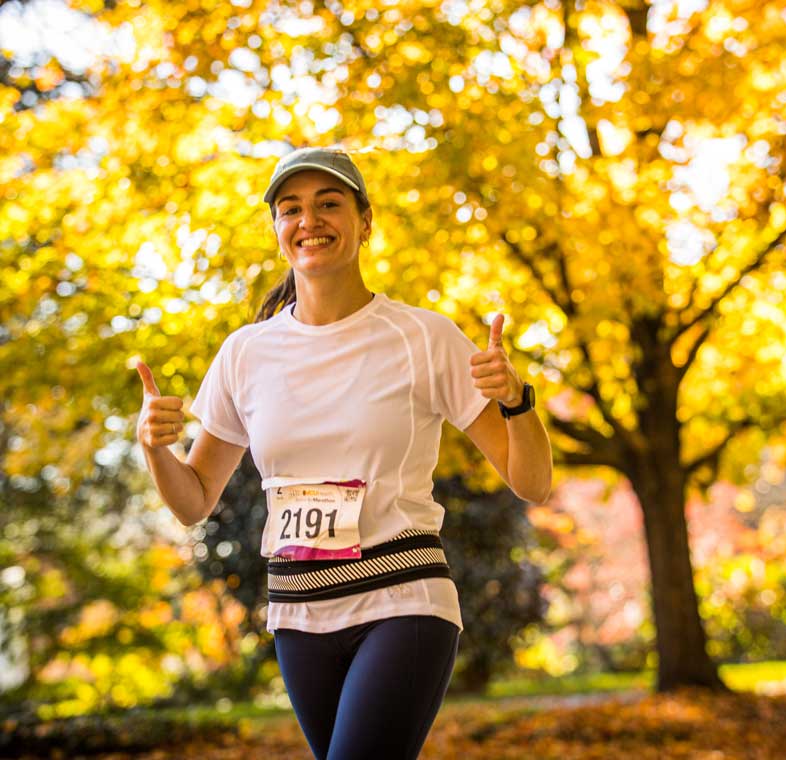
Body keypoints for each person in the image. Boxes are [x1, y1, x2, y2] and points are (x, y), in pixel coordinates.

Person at [135, 146, 553, 759]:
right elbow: (193, 501)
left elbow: (533, 482)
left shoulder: (423, 336)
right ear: (277, 228)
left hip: (402, 601)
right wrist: (154, 447)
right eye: (291, 209)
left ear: (365, 220)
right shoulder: (246, 354)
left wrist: (517, 402)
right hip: (299, 616)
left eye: (329, 204)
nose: (310, 220)